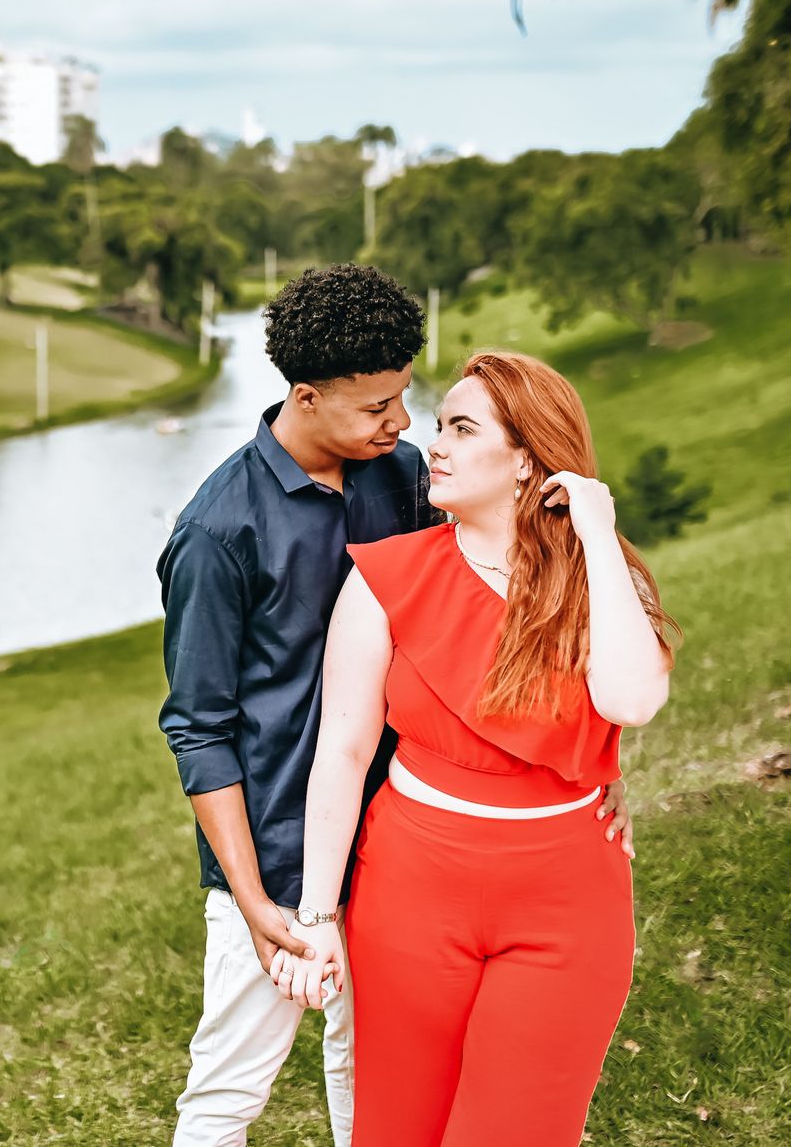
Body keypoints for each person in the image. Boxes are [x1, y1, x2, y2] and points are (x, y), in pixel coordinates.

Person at [156, 272, 631, 1147]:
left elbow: (474, 614)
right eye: (378, 404)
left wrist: (588, 762)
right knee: (230, 1085)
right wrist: (255, 897)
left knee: (370, 1073)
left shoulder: (403, 476)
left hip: (396, 844)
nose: (402, 423)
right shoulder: (218, 533)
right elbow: (198, 727)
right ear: (306, 396)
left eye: (405, 396)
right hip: (276, 850)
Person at [280, 349, 677, 1147]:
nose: (437, 445)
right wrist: (318, 913)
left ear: (528, 457)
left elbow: (631, 701)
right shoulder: (387, 578)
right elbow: (344, 751)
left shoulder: (602, 580)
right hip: (411, 892)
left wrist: (595, 531)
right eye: (440, 426)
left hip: (566, 903)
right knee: (400, 1129)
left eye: (462, 428)